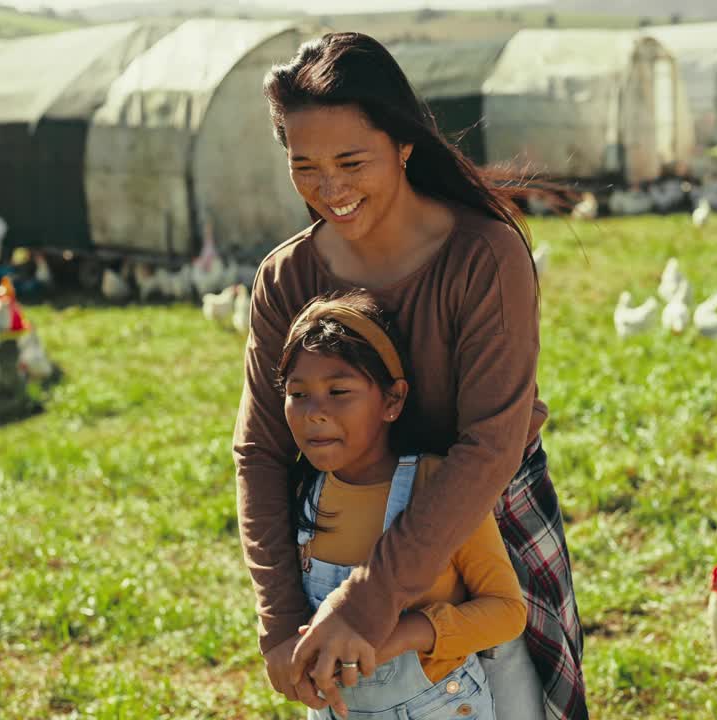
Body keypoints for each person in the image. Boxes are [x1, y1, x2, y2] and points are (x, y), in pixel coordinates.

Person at [233, 31, 587, 720]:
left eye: (351, 160)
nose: (329, 188)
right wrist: (279, 623)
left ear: (403, 144)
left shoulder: (484, 255)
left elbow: (488, 445)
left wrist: (366, 603)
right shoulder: (286, 275)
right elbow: (262, 450)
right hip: (345, 522)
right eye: (304, 165)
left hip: (483, 522)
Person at [277, 290, 525, 718]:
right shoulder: (304, 494)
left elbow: (506, 611)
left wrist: (404, 634)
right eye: (298, 394)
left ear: (392, 400)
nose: (314, 412)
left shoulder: (438, 488)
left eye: (338, 391)